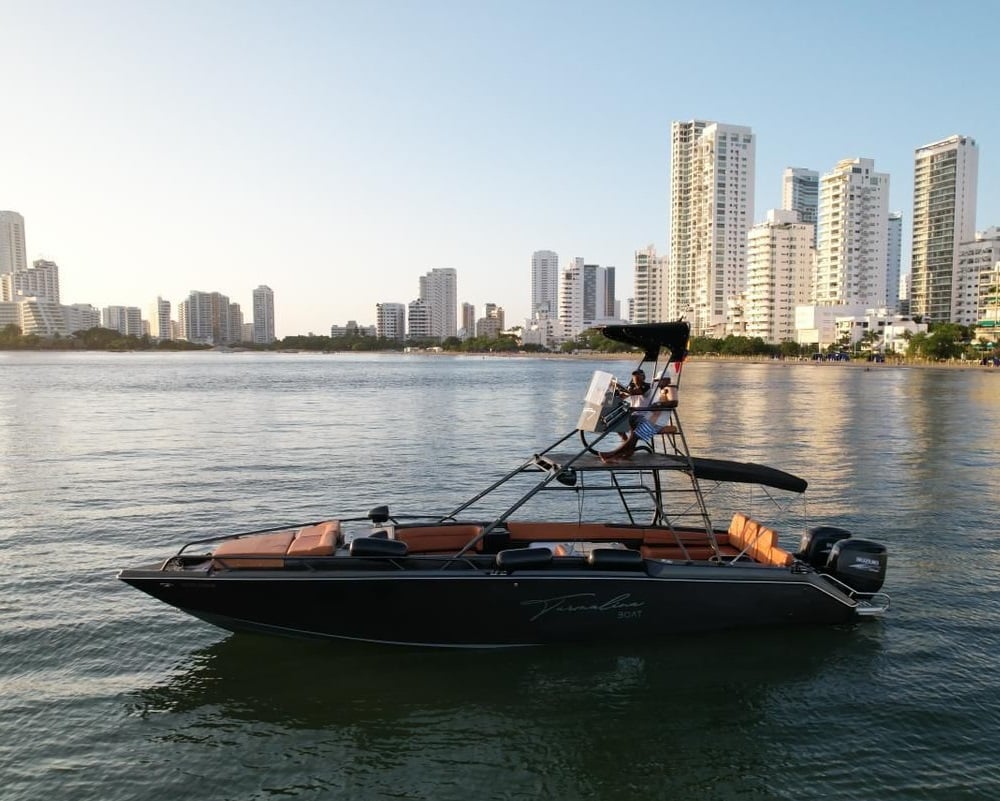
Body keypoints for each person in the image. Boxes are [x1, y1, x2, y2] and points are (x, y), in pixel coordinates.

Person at [600, 375, 676, 462]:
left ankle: (615, 453)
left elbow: (674, 403)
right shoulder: (653, 390)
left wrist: (659, 404)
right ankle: (625, 446)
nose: (657, 383)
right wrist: (615, 390)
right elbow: (625, 395)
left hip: (651, 419)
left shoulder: (650, 388)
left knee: (635, 435)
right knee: (619, 420)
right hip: (644, 416)